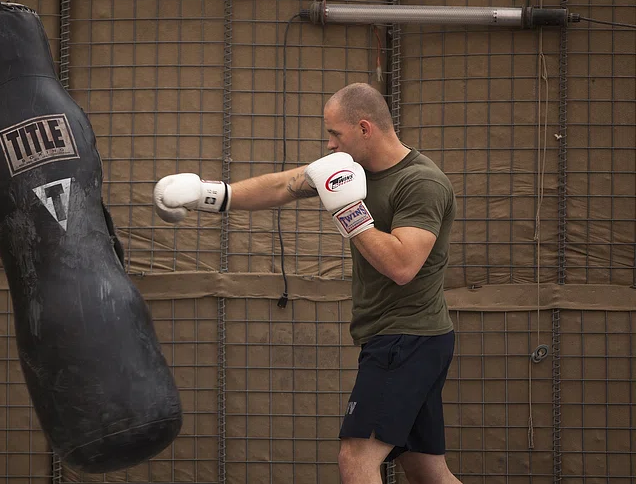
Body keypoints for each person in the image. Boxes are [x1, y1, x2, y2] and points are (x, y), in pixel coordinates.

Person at [153, 82, 460, 484]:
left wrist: (350, 212)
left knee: (355, 458)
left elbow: (403, 265)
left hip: (407, 337)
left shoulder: (421, 183)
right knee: (425, 469)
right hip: (407, 337)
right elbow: (284, 185)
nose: (330, 145)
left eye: (336, 134)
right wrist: (212, 194)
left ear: (365, 128)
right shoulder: (352, 169)